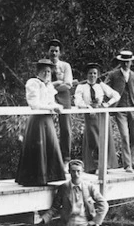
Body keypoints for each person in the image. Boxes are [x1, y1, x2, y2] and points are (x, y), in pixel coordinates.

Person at [15, 59, 67, 186]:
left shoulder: (48, 85)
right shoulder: (33, 83)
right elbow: (34, 104)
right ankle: (35, 178)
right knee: (37, 147)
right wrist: (51, 108)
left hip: (47, 120)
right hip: (37, 120)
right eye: (44, 71)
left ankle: (50, 177)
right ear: (38, 72)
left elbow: (50, 102)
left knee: (50, 144)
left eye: (49, 71)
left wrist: (57, 106)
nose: (47, 74)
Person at [74, 63, 121, 173]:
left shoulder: (101, 86)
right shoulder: (81, 87)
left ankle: (104, 166)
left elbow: (116, 95)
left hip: (102, 115)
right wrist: (87, 107)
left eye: (95, 73)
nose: (92, 75)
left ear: (98, 74)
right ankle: (93, 166)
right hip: (90, 115)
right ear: (87, 75)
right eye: (90, 73)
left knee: (104, 138)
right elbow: (77, 101)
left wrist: (107, 104)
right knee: (92, 140)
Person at [103, 50, 134, 173]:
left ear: (131, 62)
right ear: (120, 62)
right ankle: (127, 165)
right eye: (123, 62)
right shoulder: (113, 75)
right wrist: (108, 103)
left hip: (133, 108)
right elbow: (104, 88)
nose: (126, 64)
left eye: (128, 62)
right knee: (125, 136)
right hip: (120, 109)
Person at [48, 39, 74, 167]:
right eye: (52, 51)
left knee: (66, 128)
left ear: (60, 52)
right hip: (48, 99)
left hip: (63, 97)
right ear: (48, 51)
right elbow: (40, 83)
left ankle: (66, 158)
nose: (54, 53)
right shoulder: (45, 65)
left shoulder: (65, 66)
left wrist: (50, 88)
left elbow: (68, 84)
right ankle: (50, 156)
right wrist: (57, 83)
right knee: (47, 125)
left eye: (56, 51)